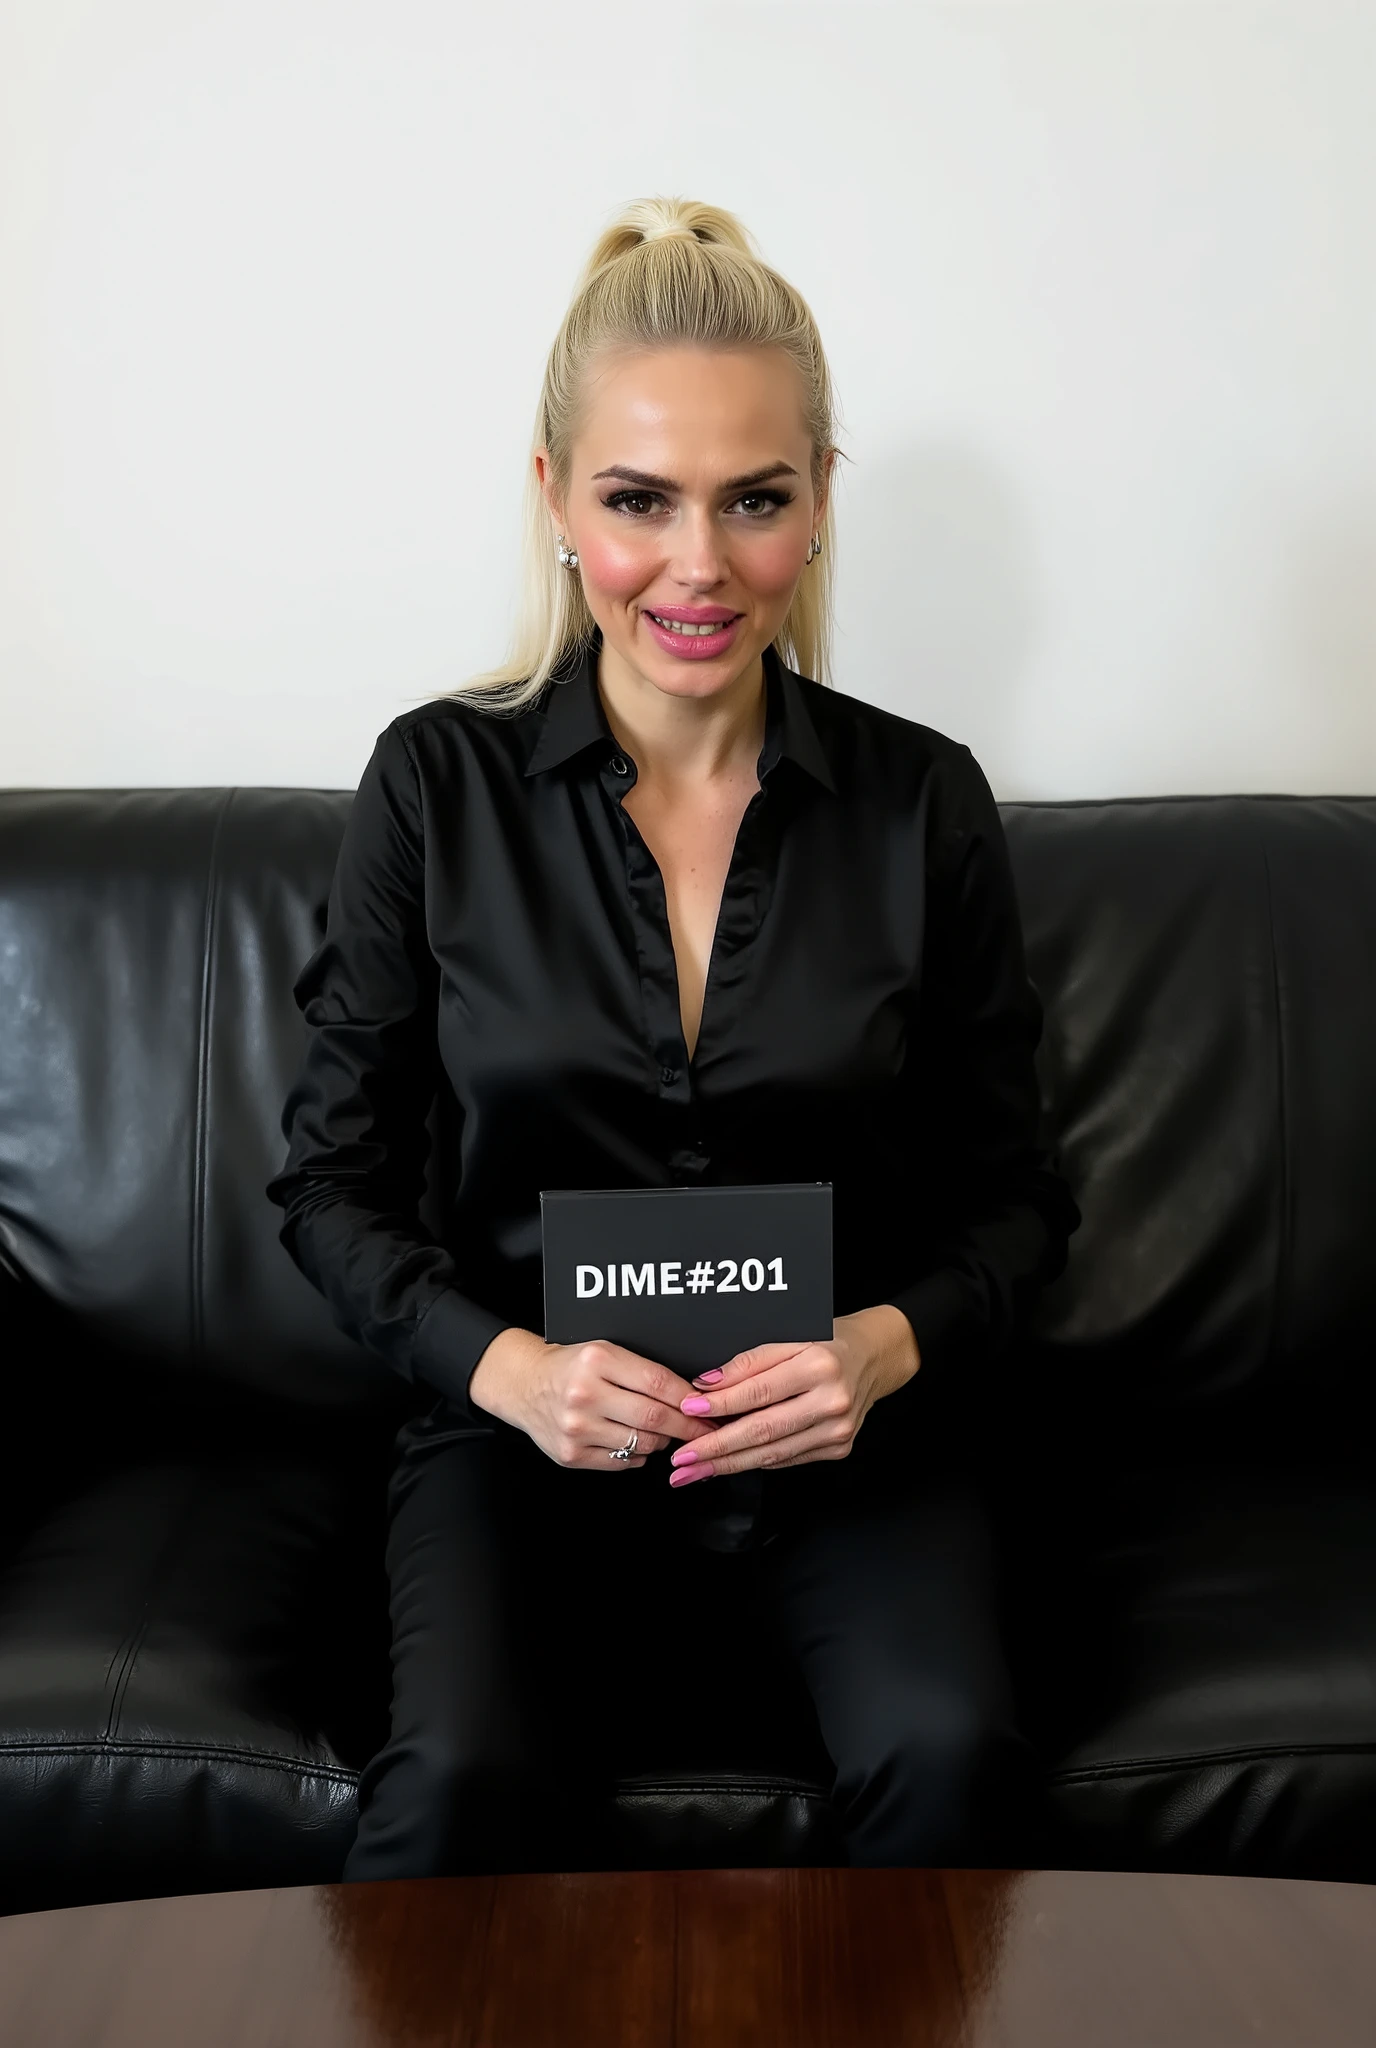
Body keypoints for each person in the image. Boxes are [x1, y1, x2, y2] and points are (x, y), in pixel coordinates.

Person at [266, 194, 1080, 1878]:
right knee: (458, 1788)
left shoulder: (923, 801)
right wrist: (513, 1372)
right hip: (525, 1435)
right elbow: (330, 1190)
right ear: (556, 495)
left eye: (755, 500)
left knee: (955, 1760)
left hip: (841, 1441)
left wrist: (881, 1349)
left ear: (820, 500)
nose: (698, 566)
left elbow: (1020, 1206)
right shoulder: (434, 783)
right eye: (640, 500)